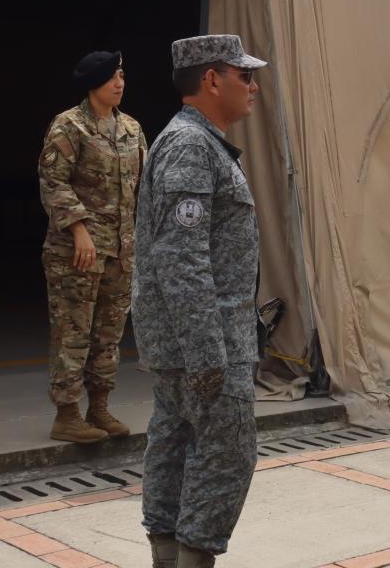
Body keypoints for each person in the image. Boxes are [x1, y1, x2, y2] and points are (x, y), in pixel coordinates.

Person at [133, 34, 266, 567]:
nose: (253, 87)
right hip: (206, 343)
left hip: (190, 341)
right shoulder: (191, 145)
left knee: (173, 441)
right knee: (226, 455)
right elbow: (181, 257)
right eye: (244, 76)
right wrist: (208, 350)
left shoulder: (195, 142)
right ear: (212, 79)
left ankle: (167, 557)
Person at [38, 51, 146, 443]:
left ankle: (98, 408)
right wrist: (80, 229)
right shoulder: (70, 126)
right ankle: (66, 415)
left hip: (120, 252)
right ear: (93, 83)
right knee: (73, 332)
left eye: (122, 74)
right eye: (111, 77)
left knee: (108, 335)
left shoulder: (131, 129)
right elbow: (54, 182)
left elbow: (142, 190)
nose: (119, 82)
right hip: (76, 253)